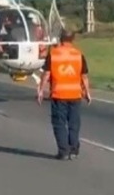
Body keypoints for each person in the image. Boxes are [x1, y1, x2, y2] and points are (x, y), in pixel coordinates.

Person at [36, 29, 92, 160]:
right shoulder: (78, 54)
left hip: (59, 94)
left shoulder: (54, 54)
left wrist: (40, 90)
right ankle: (73, 150)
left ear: (60, 39)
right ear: (73, 39)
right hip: (75, 94)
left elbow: (47, 74)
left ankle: (63, 151)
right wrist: (87, 92)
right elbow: (84, 76)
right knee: (74, 123)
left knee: (59, 123)